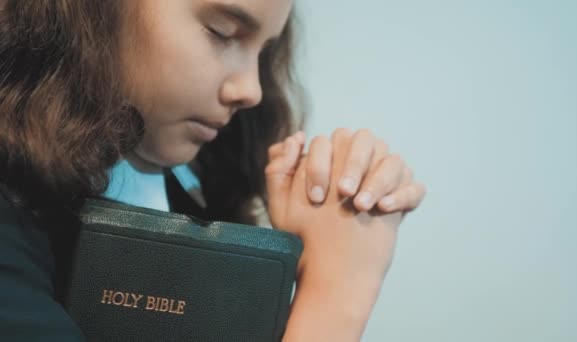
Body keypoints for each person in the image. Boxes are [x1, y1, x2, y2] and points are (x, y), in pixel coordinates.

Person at [0, 0, 426, 340]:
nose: (252, 90)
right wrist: (337, 294)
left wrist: (295, 254)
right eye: (221, 32)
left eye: (264, 52)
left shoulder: (190, 191)